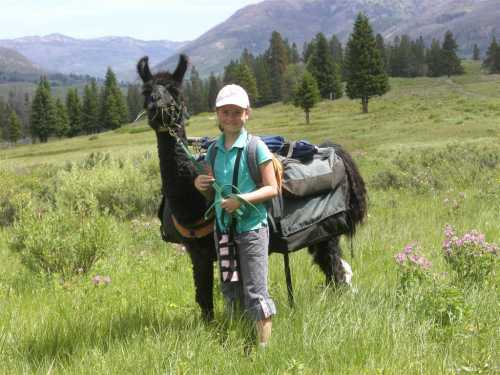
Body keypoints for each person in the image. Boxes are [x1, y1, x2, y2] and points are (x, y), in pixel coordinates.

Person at [194, 84, 278, 347]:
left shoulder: (256, 148)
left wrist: (240, 199)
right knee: (230, 287)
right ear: (218, 115)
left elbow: (272, 188)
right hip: (224, 230)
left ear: (247, 114)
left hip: (252, 230)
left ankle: (263, 351)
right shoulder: (213, 151)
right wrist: (201, 185)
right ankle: (239, 339)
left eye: (236, 112)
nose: (231, 117)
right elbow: (212, 192)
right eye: (226, 112)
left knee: (255, 291)